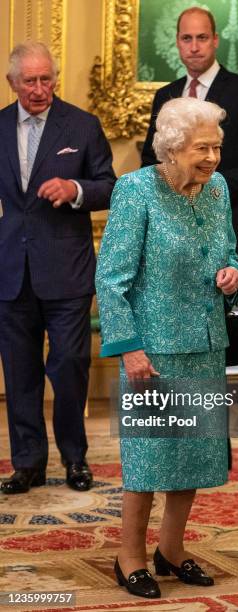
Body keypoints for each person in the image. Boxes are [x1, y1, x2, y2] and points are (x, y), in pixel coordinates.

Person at [96, 97, 238, 599]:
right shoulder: (136, 191)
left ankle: (171, 550)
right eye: (203, 148)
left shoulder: (218, 188)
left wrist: (231, 270)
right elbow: (111, 278)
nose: (213, 158)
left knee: (196, 456)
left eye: (217, 148)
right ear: (173, 148)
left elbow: (228, 247)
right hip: (154, 353)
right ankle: (129, 556)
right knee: (150, 459)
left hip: (205, 343)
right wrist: (129, 348)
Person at [0, 42, 116, 495]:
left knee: (69, 365)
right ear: (13, 82)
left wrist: (75, 187)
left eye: (46, 78)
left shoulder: (82, 126)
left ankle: (74, 457)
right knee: (20, 370)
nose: (39, 88)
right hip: (11, 269)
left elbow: (109, 186)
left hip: (66, 269)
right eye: (29, 80)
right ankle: (27, 462)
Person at [141, 6, 238, 257]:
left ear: (215, 40)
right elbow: (151, 160)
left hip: (227, 226)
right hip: (170, 228)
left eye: (202, 38)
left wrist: (208, 185)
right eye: (187, 38)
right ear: (178, 42)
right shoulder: (165, 95)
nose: (194, 47)